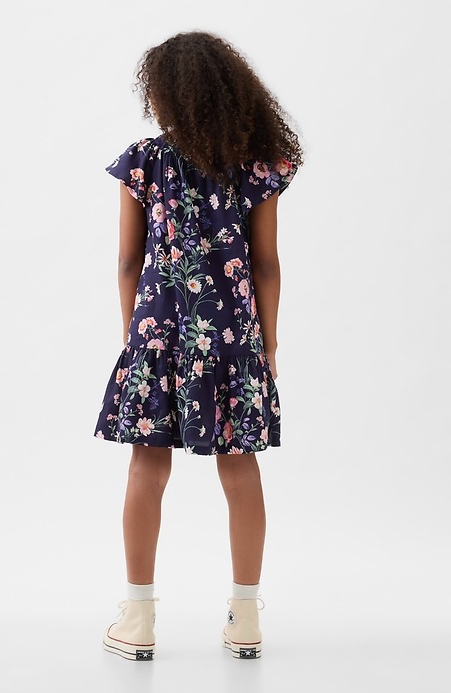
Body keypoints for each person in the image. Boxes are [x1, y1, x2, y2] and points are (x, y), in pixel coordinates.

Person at [93, 30, 303, 660]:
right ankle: (246, 617)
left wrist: (134, 336)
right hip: (234, 337)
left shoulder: (144, 161)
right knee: (240, 468)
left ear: (164, 94)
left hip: (157, 330)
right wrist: (267, 342)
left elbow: (128, 262)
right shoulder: (256, 164)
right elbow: (265, 264)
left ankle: (138, 618)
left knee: (146, 466)